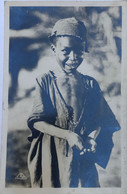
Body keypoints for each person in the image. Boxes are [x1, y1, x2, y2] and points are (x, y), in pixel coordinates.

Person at [27, 17, 120, 188]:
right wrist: (68, 135)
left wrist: (92, 138)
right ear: (54, 49)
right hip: (54, 151)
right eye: (66, 51)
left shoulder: (90, 84)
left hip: (82, 151)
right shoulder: (45, 81)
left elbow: (100, 119)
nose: (73, 57)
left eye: (79, 51)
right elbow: (37, 121)